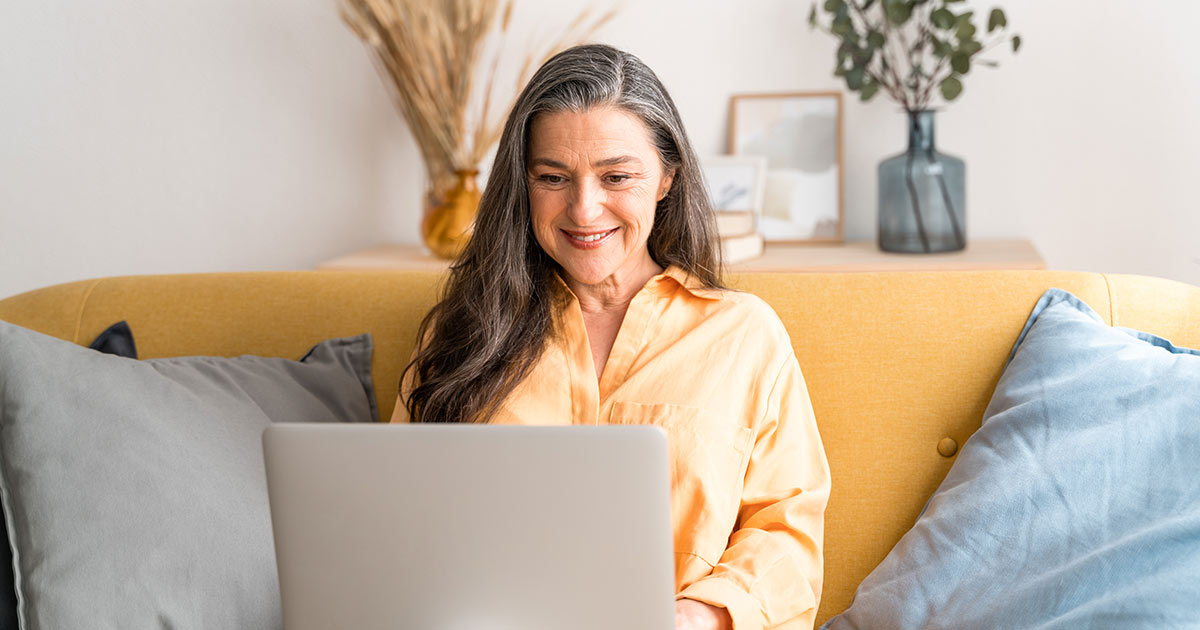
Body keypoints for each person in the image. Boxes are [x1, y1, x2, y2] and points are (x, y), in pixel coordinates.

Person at [392, 44, 830, 630]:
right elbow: (400, 518)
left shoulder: (744, 336)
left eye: (616, 176)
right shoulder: (463, 333)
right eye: (553, 177)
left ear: (666, 179)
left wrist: (697, 617)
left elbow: (786, 533)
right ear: (522, 185)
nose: (584, 208)